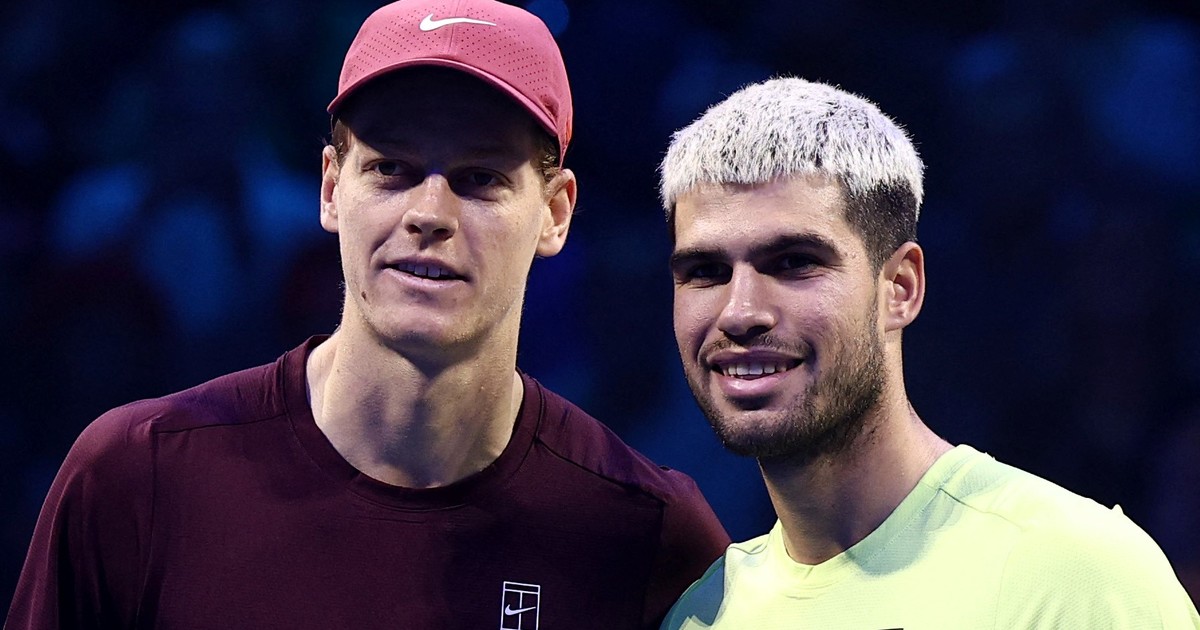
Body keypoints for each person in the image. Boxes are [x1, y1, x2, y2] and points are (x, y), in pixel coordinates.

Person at [6, 1, 730, 628]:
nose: (429, 213)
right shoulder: (136, 476)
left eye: (480, 178)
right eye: (391, 169)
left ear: (555, 213)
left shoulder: (648, 534)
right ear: (330, 189)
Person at [656, 77, 1200, 629]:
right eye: (706, 271)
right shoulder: (698, 614)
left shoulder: (1076, 575)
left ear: (900, 287)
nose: (740, 312)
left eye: (795, 262)